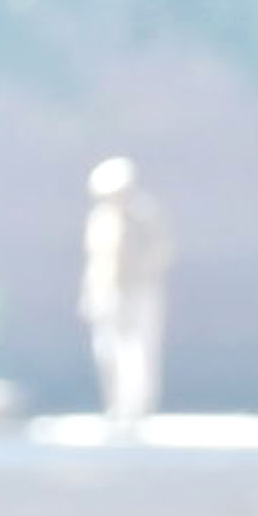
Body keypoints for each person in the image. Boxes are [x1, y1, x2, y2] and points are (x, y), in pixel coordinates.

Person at [82, 158, 175, 433]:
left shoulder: (144, 216)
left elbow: (161, 252)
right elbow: (95, 260)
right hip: (107, 293)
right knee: (106, 350)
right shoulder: (100, 218)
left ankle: (136, 408)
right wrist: (89, 293)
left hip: (139, 291)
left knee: (138, 352)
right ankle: (115, 405)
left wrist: (141, 272)